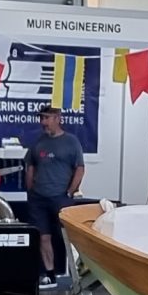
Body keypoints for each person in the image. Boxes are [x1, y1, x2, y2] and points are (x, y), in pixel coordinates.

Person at [21, 103, 86, 285]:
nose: (43, 122)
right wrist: (30, 190)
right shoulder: (38, 142)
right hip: (38, 199)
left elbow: (80, 169)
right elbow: (30, 166)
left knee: (68, 237)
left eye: (46, 118)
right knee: (43, 236)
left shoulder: (71, 142)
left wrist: (70, 192)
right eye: (41, 118)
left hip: (60, 198)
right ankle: (49, 275)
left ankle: (77, 275)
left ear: (58, 118)